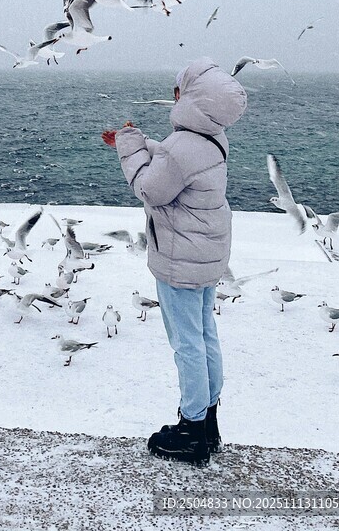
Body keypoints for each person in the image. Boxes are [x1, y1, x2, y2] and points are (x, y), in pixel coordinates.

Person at [101, 56, 247, 466]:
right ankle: (211, 421)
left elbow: (151, 189)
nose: (173, 95)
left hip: (180, 257)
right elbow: (173, 158)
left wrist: (130, 147)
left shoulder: (182, 147)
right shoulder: (212, 137)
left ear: (191, 99)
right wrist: (142, 143)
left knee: (186, 343)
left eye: (179, 89)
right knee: (204, 336)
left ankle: (191, 430)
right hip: (206, 254)